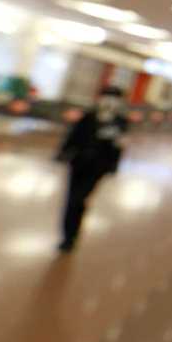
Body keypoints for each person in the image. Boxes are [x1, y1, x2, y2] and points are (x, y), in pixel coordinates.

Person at [56, 86, 129, 252]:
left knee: (78, 199)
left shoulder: (120, 122)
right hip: (78, 164)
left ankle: (73, 233)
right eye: (106, 96)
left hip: (98, 168)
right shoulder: (88, 116)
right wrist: (62, 153)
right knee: (71, 200)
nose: (108, 101)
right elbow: (73, 136)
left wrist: (114, 166)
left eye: (113, 98)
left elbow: (119, 146)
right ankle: (68, 236)